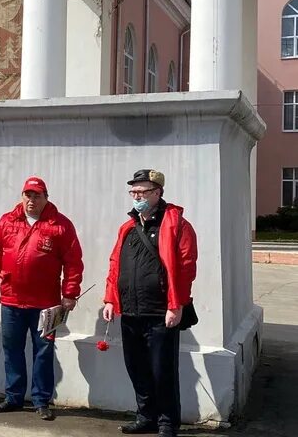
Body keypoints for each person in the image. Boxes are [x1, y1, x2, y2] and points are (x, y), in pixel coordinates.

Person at [103, 169, 198, 437]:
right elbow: (115, 265)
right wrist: (111, 298)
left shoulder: (177, 224)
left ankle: (167, 422)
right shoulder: (128, 228)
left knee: (162, 370)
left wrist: (175, 305)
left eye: (142, 192)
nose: (136, 196)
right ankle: (146, 417)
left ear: (157, 193)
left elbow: (186, 267)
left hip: (160, 312)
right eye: (133, 192)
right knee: (137, 368)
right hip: (131, 311)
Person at [0, 175, 84, 420]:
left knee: (43, 351)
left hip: (46, 304)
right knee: (12, 350)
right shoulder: (7, 221)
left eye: (36, 196)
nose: (31, 200)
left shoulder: (60, 225)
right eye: (27, 195)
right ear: (22, 197)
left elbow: (73, 262)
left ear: (46, 198)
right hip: (11, 301)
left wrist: (70, 293)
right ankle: (14, 397)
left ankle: (41, 400)